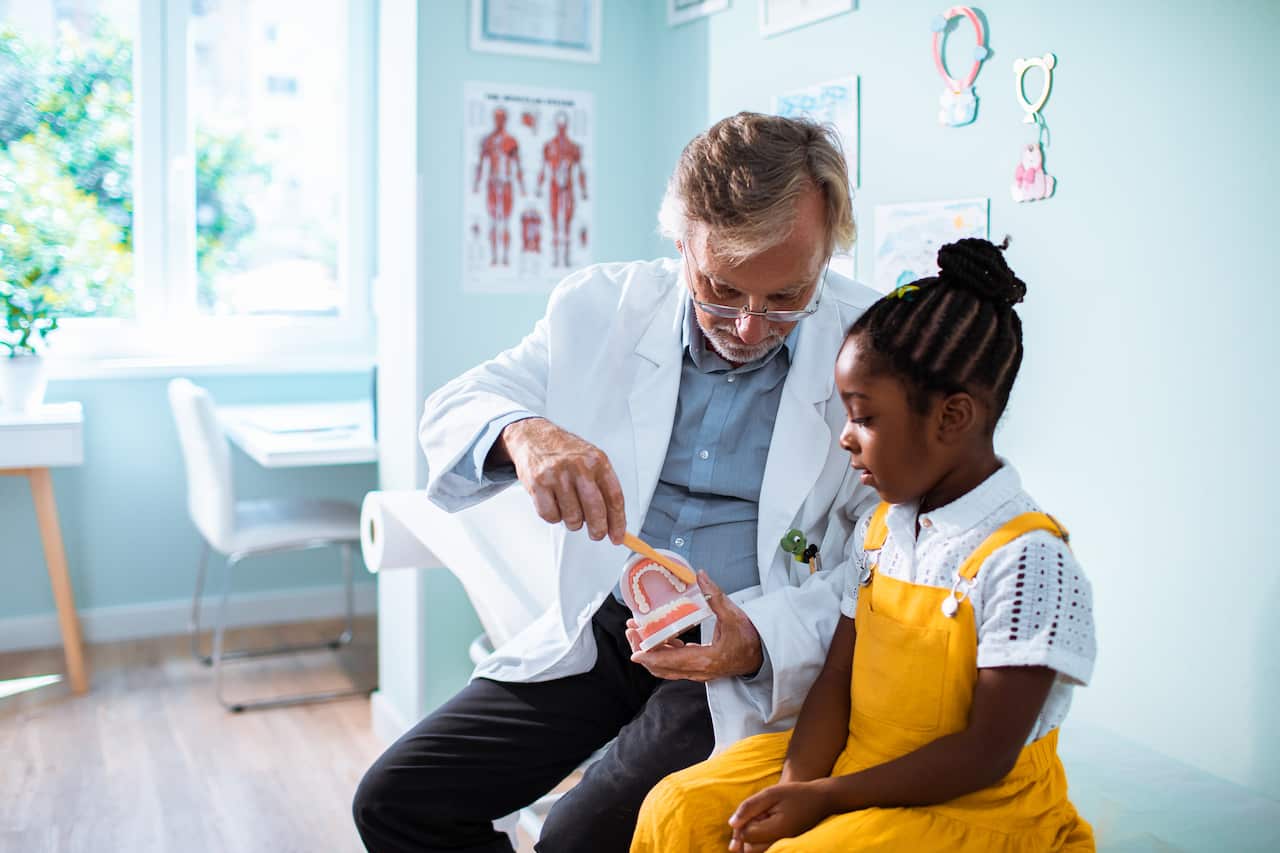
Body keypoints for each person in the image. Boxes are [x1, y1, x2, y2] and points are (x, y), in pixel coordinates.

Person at [352, 113, 880, 853]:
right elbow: (457, 406)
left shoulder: (875, 347)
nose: (752, 326)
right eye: (721, 289)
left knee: (577, 837)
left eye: (788, 297)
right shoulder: (599, 307)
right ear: (681, 240)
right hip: (612, 624)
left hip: (744, 639)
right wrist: (522, 432)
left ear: (828, 252)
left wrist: (758, 638)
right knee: (399, 800)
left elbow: (882, 565)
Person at [631, 238, 1098, 853]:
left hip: (977, 801)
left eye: (865, 418)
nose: (845, 440)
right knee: (677, 808)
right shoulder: (882, 532)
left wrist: (822, 802)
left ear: (952, 419)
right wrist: (795, 789)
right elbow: (837, 680)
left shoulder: (1028, 559)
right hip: (858, 760)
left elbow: (985, 757)